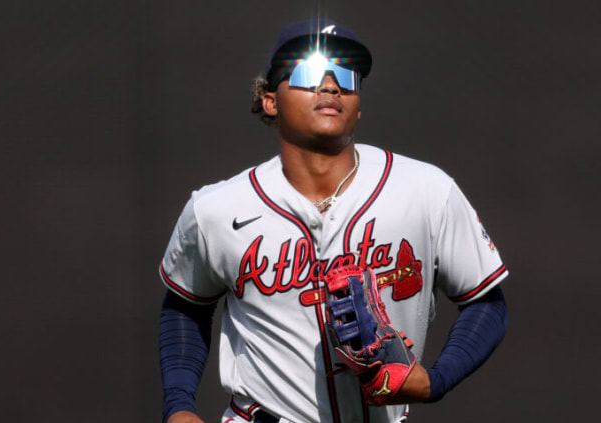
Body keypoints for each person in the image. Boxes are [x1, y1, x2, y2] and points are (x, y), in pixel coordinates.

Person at [158, 19, 508, 423]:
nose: (330, 85)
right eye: (308, 72)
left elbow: (486, 302)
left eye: (346, 74)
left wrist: (435, 380)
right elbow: (185, 306)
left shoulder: (426, 190)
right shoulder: (216, 209)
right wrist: (179, 407)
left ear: (359, 105)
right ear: (270, 100)